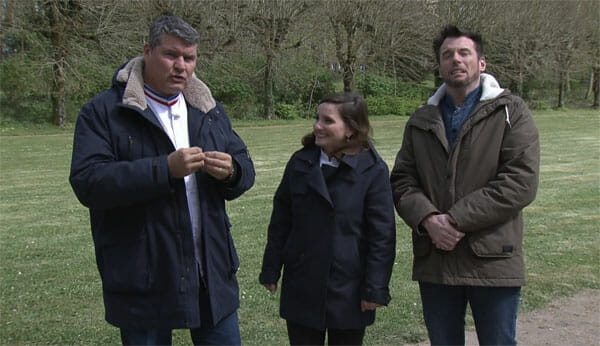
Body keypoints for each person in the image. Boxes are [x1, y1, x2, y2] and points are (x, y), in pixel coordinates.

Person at [69, 15, 255, 345]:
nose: (181, 66)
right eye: (171, 55)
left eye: (189, 57)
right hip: (145, 273)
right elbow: (89, 182)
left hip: (209, 270)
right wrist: (164, 169)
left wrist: (232, 172)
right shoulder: (105, 111)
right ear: (147, 52)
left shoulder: (207, 110)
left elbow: (245, 169)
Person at [390, 24, 540, 345]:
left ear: (481, 63)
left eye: (464, 53)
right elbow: (403, 180)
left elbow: (520, 181)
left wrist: (456, 220)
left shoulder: (511, 112)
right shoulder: (421, 119)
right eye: (447, 55)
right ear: (439, 65)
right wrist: (429, 220)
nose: (455, 59)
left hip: (493, 258)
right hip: (437, 261)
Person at [259, 92, 396, 346]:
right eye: (317, 118)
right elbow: (281, 220)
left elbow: (382, 237)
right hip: (303, 282)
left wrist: (375, 288)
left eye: (328, 121)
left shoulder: (372, 170)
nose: (317, 126)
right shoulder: (300, 162)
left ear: (351, 129)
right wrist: (271, 268)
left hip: (349, 288)